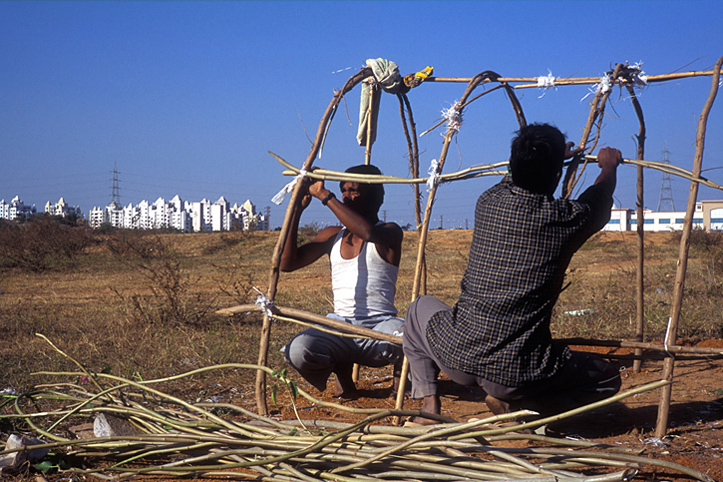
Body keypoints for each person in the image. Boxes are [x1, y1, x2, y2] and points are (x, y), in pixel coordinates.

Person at [403, 123, 623, 423]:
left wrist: (544, 160)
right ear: (557, 174)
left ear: (513, 165)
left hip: (457, 354)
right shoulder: (566, 220)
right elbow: (599, 195)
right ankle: (528, 407)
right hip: (515, 373)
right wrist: (608, 167)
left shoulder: (488, 202)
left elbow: (515, 177)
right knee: (608, 378)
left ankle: (429, 406)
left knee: (417, 309)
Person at [280, 164, 405, 398]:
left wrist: (326, 196)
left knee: (407, 336)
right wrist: (297, 210)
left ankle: (403, 380)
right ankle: (342, 371)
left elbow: (366, 232)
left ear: (376, 197)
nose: (346, 197)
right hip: (340, 328)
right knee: (299, 350)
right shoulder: (332, 235)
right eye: (343, 190)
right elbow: (287, 263)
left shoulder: (389, 231)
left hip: (381, 330)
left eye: (353, 191)